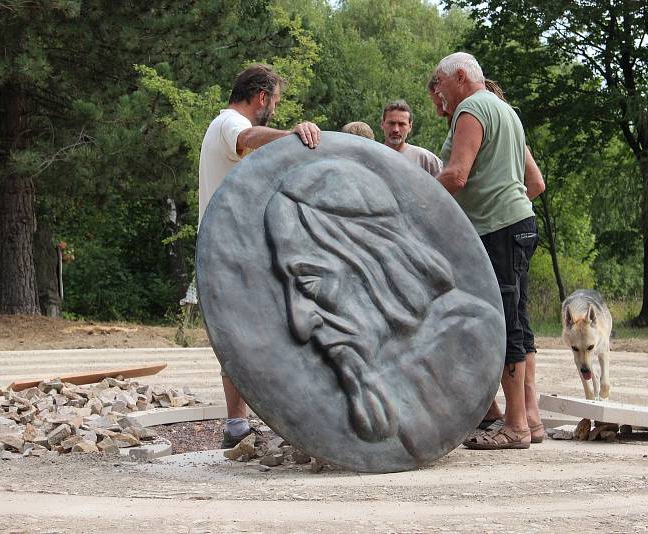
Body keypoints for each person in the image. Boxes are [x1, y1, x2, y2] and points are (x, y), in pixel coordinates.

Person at [263, 160, 505, 461]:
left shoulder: (469, 336)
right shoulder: (365, 367)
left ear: (378, 261)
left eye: (309, 283)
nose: (299, 323)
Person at [198, 63, 321, 448]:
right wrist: (291, 135)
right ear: (262, 97)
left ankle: (240, 425)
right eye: (275, 102)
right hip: (229, 252)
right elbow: (248, 136)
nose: (276, 109)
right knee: (248, 334)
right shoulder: (227, 125)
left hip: (232, 249)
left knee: (243, 334)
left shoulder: (222, 128)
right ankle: (241, 424)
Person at [433, 51, 545, 449]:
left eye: (441, 84)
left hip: (497, 232)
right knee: (519, 320)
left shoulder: (471, 110)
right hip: (520, 225)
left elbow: (456, 174)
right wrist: (504, 198)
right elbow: (535, 184)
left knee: (503, 325)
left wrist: (412, 198)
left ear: (460, 77)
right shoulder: (505, 110)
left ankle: (514, 427)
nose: (440, 95)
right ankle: (528, 417)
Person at [380, 100, 442, 177]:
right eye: (391, 123)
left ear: (410, 126)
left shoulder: (425, 159)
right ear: (382, 124)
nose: (396, 129)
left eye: (401, 124)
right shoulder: (372, 156)